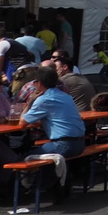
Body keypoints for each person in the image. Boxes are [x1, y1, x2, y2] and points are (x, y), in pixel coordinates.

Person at [21, 65, 86, 193]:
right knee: (43, 152)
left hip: (65, 144)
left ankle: (28, 189)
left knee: (24, 158)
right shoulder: (65, 96)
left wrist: (30, 102)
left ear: (38, 83)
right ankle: (56, 184)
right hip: (80, 143)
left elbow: (22, 123)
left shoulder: (44, 99)